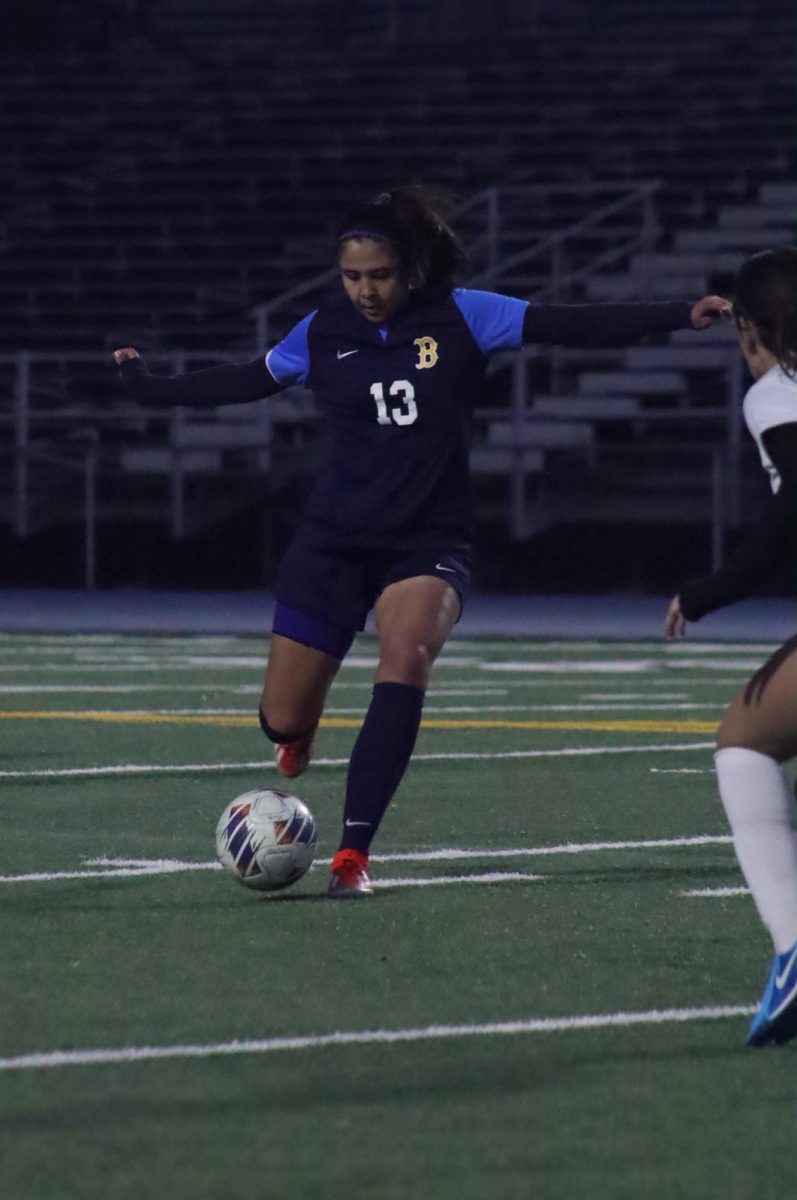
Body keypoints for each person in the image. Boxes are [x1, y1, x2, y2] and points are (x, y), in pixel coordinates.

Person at [115, 185, 729, 899]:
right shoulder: (319, 331)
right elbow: (244, 381)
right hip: (332, 544)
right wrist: (144, 386)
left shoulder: (467, 313)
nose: (366, 291)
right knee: (278, 715)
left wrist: (678, 316)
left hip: (427, 542)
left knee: (404, 659)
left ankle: (352, 855)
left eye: (378, 275)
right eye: (352, 277)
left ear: (409, 267)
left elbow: (570, 323)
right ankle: (296, 732)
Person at [665, 245, 797, 1047]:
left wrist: (706, 592)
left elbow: (790, 518)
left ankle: (792, 948)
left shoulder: (774, 393)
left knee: (742, 740)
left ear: (750, 329)